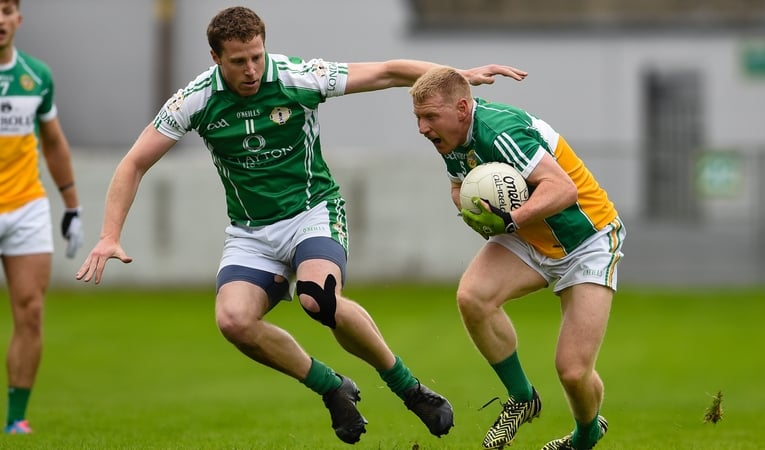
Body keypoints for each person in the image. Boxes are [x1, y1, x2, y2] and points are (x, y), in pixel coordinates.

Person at [75, 6, 527, 445]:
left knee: (318, 299)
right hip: (250, 232)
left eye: (257, 56)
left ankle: (408, 388)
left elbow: (388, 71)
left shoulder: (296, 76)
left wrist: (453, 77)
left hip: (313, 212)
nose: (252, 70)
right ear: (216, 58)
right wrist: (109, 235)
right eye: (239, 61)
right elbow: (134, 163)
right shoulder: (196, 99)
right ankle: (332, 388)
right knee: (233, 321)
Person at [409, 66, 625, 450]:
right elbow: (459, 186)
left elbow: (563, 189)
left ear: (462, 109)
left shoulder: (499, 132)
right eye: (418, 118)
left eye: (430, 117)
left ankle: (585, 435)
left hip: (587, 239)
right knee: (472, 297)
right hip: (529, 236)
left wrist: (511, 219)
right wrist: (472, 210)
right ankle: (523, 398)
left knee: (573, 371)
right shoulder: (452, 138)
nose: (422, 128)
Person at [0, 0, 83, 435]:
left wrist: (72, 206)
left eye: (6, 10)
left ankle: (16, 419)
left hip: (26, 206)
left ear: (18, 18)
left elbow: (53, 142)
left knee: (31, 311)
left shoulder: (36, 76)